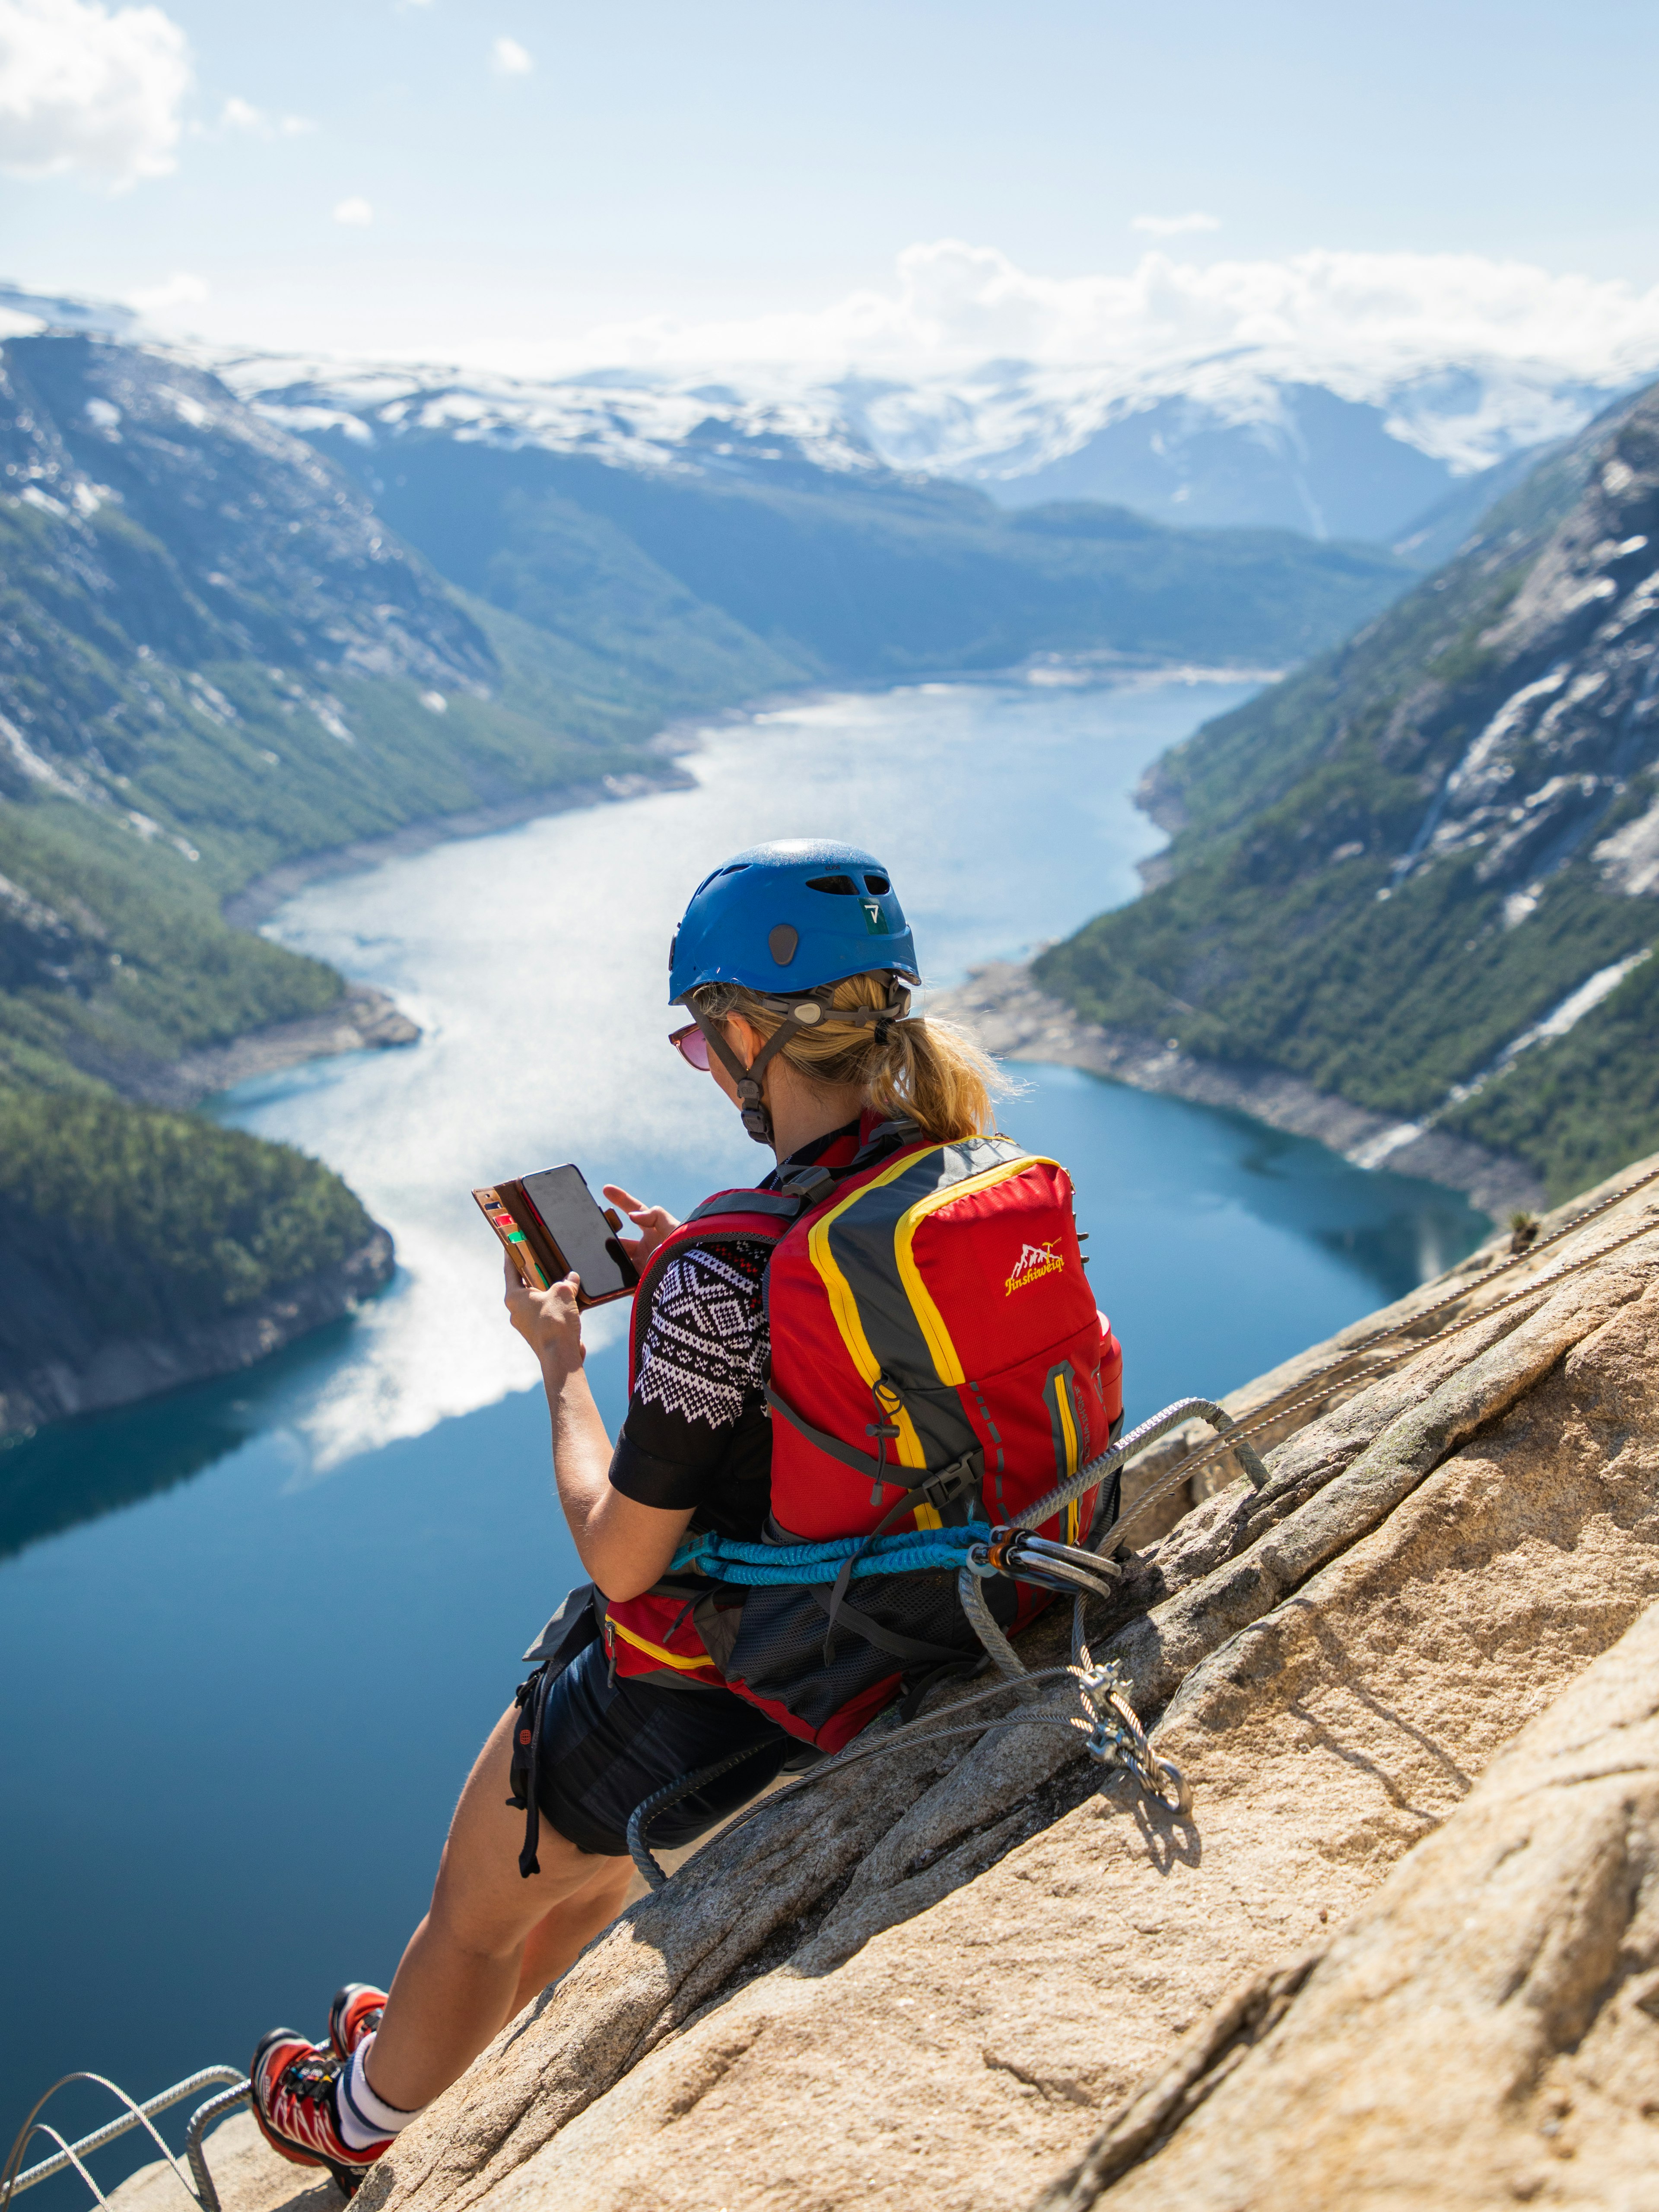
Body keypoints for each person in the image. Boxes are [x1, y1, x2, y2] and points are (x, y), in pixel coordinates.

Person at [248, 841, 1119, 2193]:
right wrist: (698, 1283)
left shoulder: (736, 1259)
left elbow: (619, 1547)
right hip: (918, 1622)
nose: (704, 1065)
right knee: (580, 1894)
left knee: (475, 1918)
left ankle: (356, 2114)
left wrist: (564, 1369)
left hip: (699, 1683)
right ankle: (468, 2078)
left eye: (702, 1037)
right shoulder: (952, 1177)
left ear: (742, 1036)